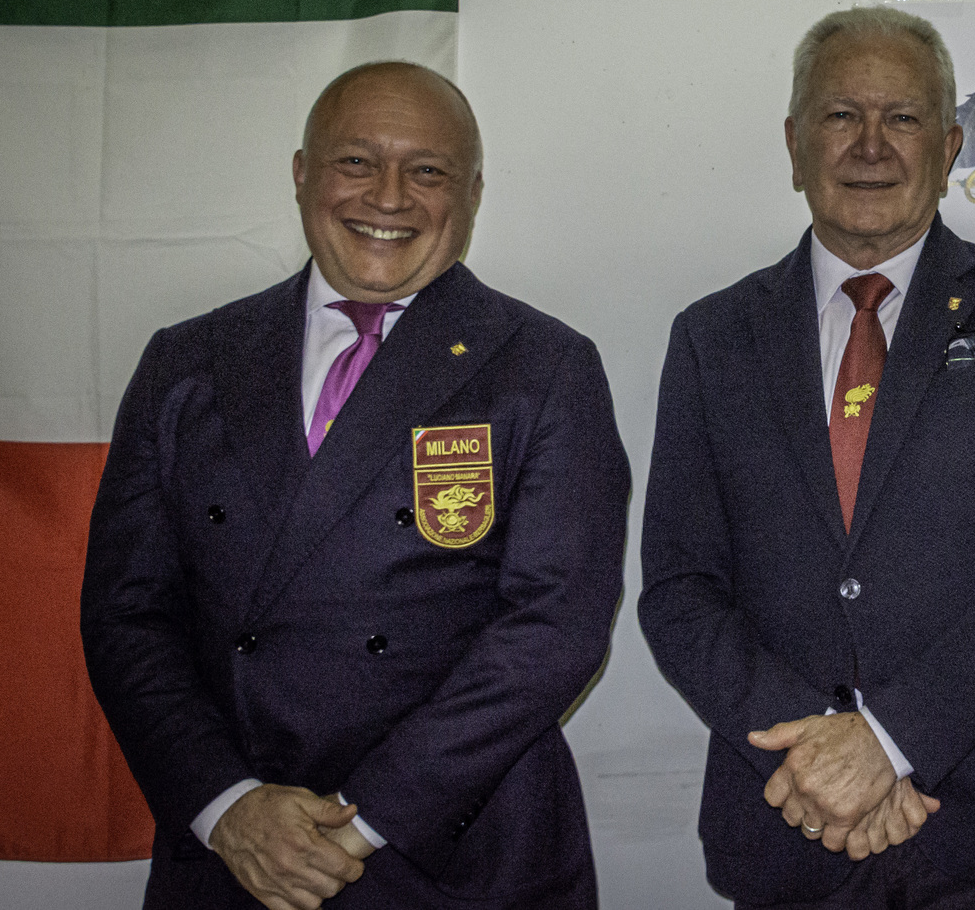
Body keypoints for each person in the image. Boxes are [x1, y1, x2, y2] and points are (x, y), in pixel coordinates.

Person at [81, 62, 630, 910]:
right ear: (302, 173)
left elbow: (556, 627)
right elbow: (127, 615)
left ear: (473, 194)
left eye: (428, 170)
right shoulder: (185, 361)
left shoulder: (545, 368)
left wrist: (368, 816)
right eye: (356, 161)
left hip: (456, 852)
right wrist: (227, 806)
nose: (389, 196)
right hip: (236, 854)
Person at [638, 7, 975, 909]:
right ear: (794, 145)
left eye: (902, 118)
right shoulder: (713, 337)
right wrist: (821, 754)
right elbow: (680, 589)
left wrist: (888, 741)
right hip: (791, 821)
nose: (870, 145)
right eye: (840, 115)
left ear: (948, 147)